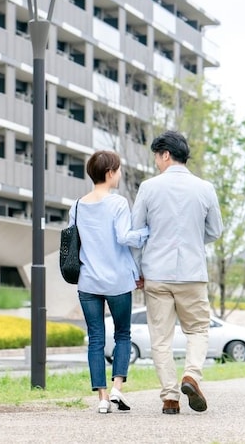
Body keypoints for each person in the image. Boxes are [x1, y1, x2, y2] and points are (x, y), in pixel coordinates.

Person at [131, 130, 223, 415]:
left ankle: (170, 397)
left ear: (166, 154)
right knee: (197, 329)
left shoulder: (148, 187)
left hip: (156, 274)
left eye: (157, 157)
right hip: (193, 274)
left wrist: (137, 270)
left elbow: (136, 235)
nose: (157, 162)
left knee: (160, 338)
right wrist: (193, 240)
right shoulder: (205, 188)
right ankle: (192, 375)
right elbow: (215, 231)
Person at [71, 150, 148, 414]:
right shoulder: (118, 203)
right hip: (116, 281)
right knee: (123, 334)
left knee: (95, 339)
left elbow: (74, 241)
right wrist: (147, 233)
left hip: (88, 281)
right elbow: (125, 237)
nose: (120, 174)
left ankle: (102, 399)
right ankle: (117, 388)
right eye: (118, 169)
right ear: (110, 173)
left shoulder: (78, 205)